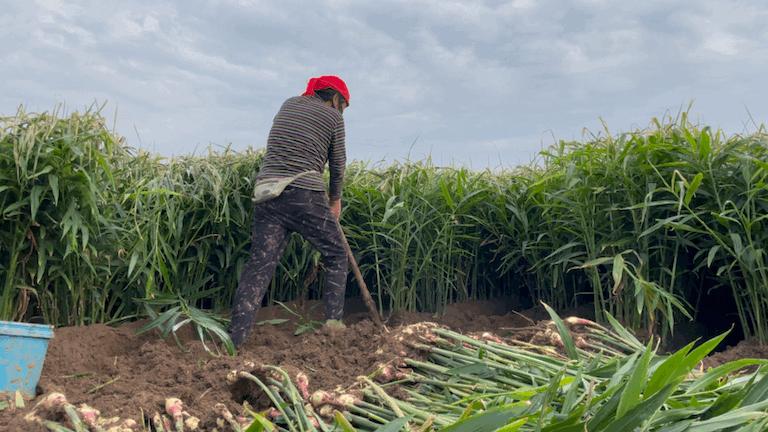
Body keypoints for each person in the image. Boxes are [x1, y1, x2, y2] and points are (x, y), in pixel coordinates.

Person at [228, 76, 351, 348]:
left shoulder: (288, 104)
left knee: (259, 266)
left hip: (267, 194)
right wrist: (335, 200)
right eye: (344, 105)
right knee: (336, 254)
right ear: (335, 99)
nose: (343, 110)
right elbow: (338, 164)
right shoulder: (333, 118)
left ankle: (235, 340)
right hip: (303, 193)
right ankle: (333, 332)